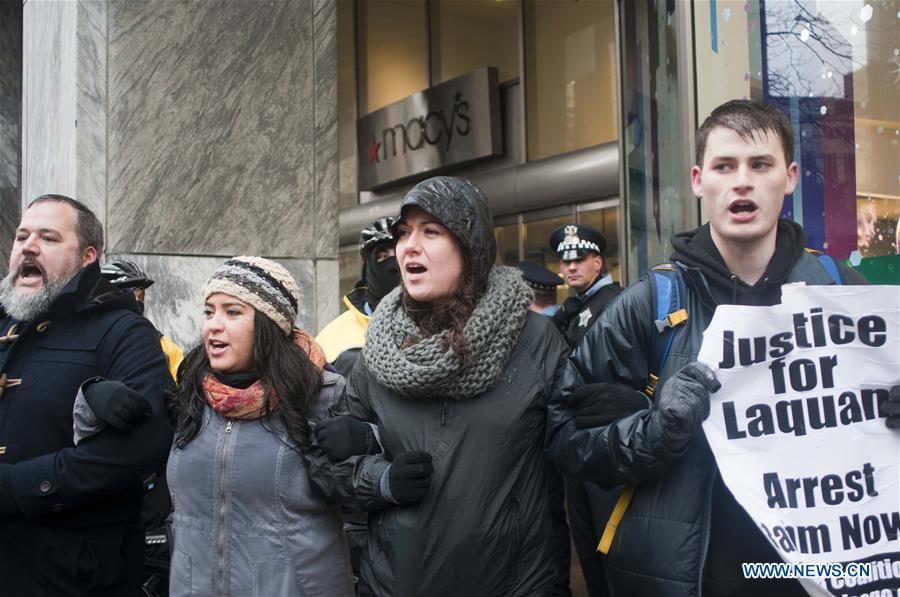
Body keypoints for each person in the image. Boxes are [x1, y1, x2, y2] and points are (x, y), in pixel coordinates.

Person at [548, 99, 868, 597]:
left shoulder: (845, 294)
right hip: (691, 579)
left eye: (760, 164)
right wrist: (657, 430)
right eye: (725, 166)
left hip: (815, 577)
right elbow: (565, 436)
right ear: (699, 180)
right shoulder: (646, 307)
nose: (743, 181)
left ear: (789, 176)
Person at [309, 176, 569, 596]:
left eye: (431, 232)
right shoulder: (379, 347)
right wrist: (382, 480)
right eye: (404, 233)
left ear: (472, 247)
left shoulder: (535, 342)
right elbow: (325, 465)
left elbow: (578, 456)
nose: (409, 246)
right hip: (395, 584)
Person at [0, 194, 174, 596]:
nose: (28, 246)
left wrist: (23, 486)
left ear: (87, 257)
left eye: (48, 238)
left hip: (73, 574)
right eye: (22, 236)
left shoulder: (122, 332)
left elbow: (143, 446)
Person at [166, 256, 354, 597]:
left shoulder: (323, 394)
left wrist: (365, 443)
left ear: (269, 324)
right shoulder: (191, 394)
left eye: (232, 312)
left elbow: (365, 489)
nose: (213, 326)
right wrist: (91, 401)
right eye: (209, 311)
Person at [317, 217, 400, 377]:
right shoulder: (334, 336)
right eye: (382, 256)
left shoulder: (441, 325)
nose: (392, 264)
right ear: (366, 268)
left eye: (398, 253)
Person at [101, 260, 184, 380]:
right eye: (128, 296)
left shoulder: (165, 348)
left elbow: (179, 393)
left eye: (140, 297)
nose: (135, 302)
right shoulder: (85, 339)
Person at [549, 223, 622, 349]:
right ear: (561, 266)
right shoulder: (575, 304)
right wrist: (558, 320)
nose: (572, 267)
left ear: (597, 263)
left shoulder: (616, 301)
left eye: (579, 260)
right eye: (567, 262)